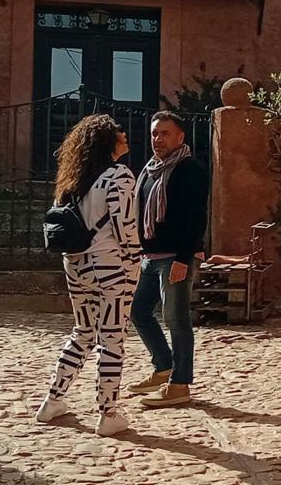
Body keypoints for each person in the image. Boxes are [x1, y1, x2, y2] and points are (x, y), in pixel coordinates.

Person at [36, 114, 141, 437]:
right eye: (118, 133)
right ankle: (107, 412)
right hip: (109, 266)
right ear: (108, 142)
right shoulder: (118, 176)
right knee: (112, 337)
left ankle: (53, 398)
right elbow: (126, 227)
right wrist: (135, 261)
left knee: (83, 331)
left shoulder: (72, 182)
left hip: (75, 264)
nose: (124, 136)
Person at [126, 111, 208, 407]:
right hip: (151, 256)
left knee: (176, 318)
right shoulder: (150, 170)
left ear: (180, 137)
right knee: (139, 312)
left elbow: (196, 219)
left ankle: (180, 384)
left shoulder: (190, 169)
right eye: (154, 133)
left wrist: (183, 259)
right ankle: (163, 367)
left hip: (176, 256)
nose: (158, 139)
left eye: (165, 133)